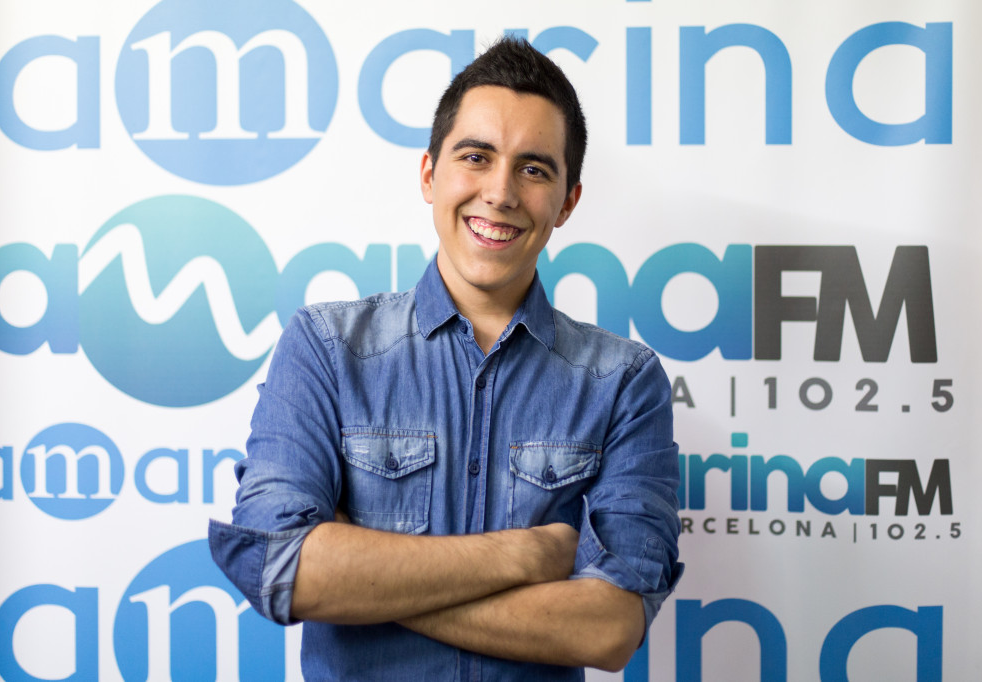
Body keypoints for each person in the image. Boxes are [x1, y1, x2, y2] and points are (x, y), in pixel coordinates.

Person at [209, 36, 682, 681]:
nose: (500, 192)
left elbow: (608, 628)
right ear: (430, 175)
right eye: (476, 157)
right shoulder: (326, 348)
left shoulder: (624, 382)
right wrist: (525, 555)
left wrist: (362, 579)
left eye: (534, 169)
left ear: (567, 202)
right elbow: (282, 567)